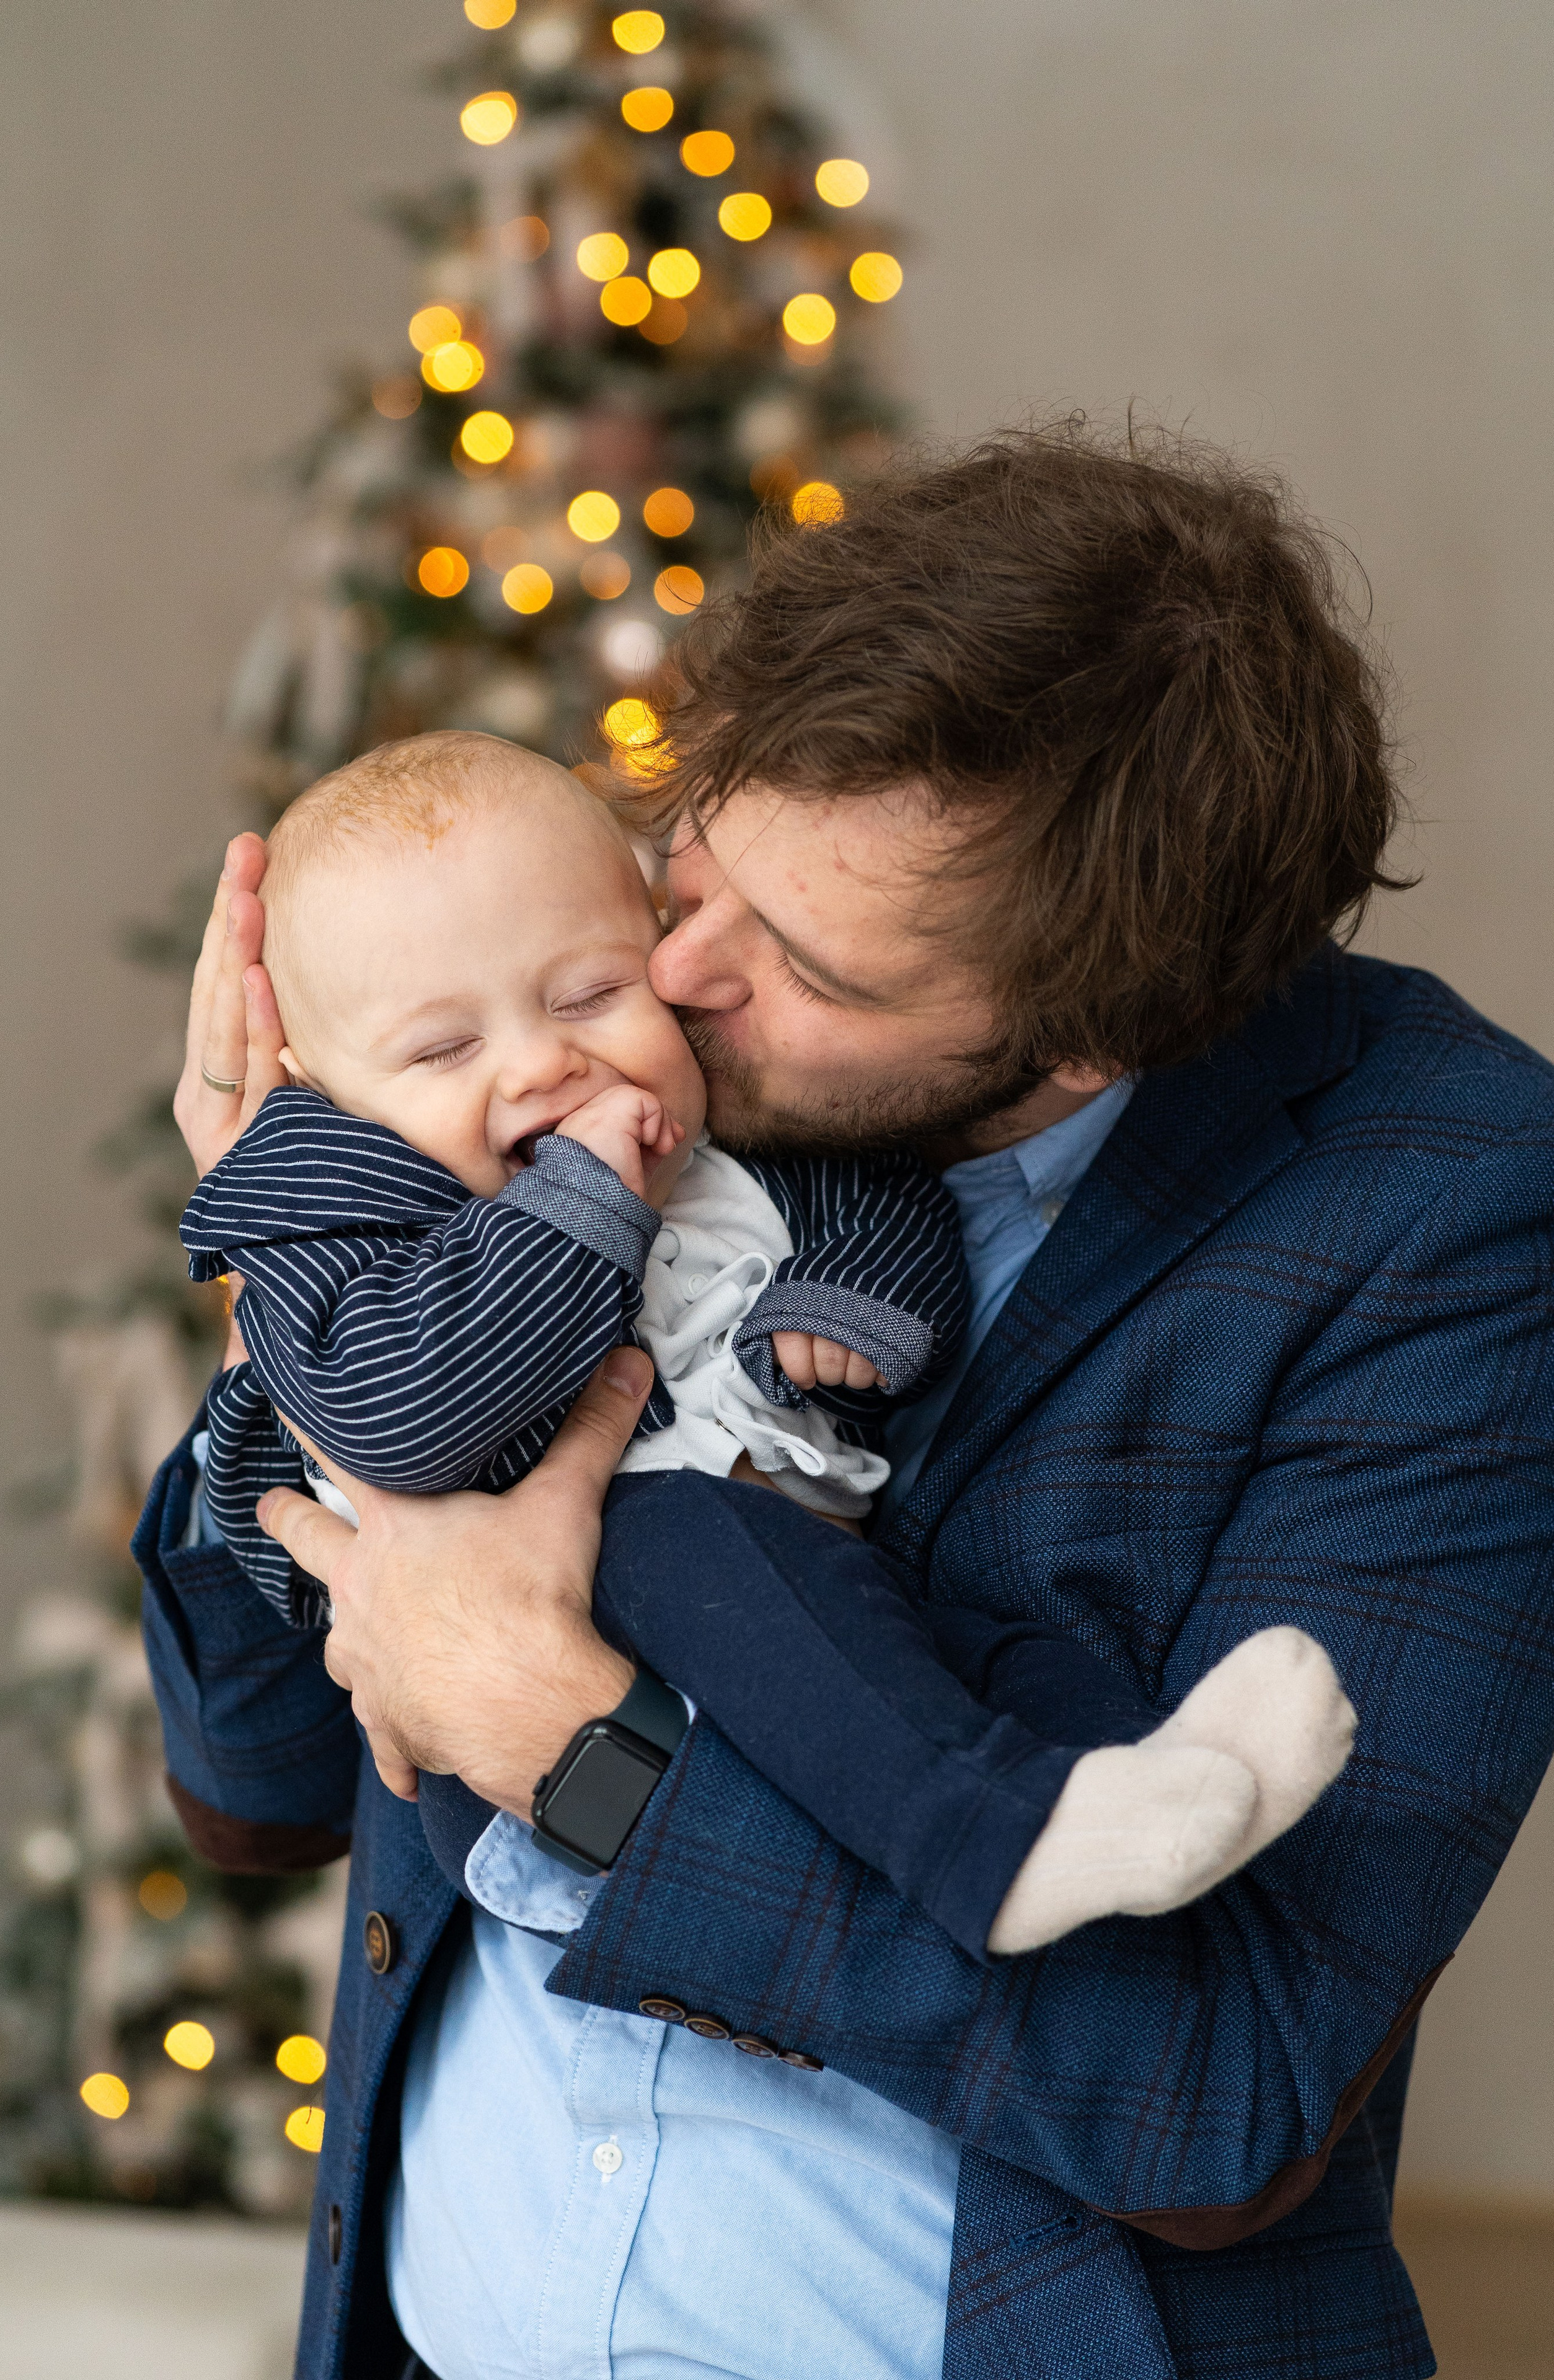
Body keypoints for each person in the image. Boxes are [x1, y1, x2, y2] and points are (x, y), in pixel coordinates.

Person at [138, 425, 1554, 2380]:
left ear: (1081, 1043)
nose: (675, 974)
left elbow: (1221, 2104)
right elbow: (259, 1790)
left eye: (798, 962)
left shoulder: (1448, 1218)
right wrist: (292, 1293)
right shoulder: (558, 1059)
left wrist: (581, 1750)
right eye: (693, 851)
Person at [185, 721, 1351, 1962]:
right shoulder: (342, 1208)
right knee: (727, 1562)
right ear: (314, 1095)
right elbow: (404, 1414)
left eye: (589, 992)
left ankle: (1129, 1778)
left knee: (953, 1651)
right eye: (442, 1049)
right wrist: (582, 1194)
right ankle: (986, 1848)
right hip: (607, 1556)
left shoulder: (734, 1093)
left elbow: (859, 1195)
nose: (542, 1062)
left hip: (798, 1552)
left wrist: (852, 1298)